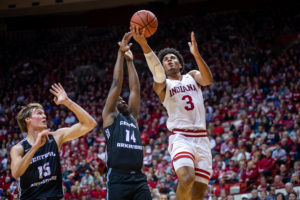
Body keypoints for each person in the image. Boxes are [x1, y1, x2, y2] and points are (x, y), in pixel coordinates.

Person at [131, 26, 213, 200]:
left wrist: (197, 55)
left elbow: (207, 80)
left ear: (180, 64)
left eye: (172, 58)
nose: (169, 60)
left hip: (202, 139)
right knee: (187, 178)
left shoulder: (192, 76)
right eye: (165, 59)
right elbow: (157, 72)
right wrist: (145, 46)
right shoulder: (162, 85)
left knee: (198, 193)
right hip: (181, 137)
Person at [10, 83, 97, 200]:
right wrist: (35, 147)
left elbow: (90, 124)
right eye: (39, 113)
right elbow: (16, 173)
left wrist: (67, 102)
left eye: (44, 113)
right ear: (28, 120)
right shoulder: (18, 148)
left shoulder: (56, 137)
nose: (44, 116)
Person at [102, 32, 152, 200]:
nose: (122, 99)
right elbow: (116, 84)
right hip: (117, 179)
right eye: (119, 99)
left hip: (138, 178)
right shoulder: (110, 117)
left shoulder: (132, 117)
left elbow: (135, 89)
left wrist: (130, 61)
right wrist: (120, 55)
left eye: (124, 99)